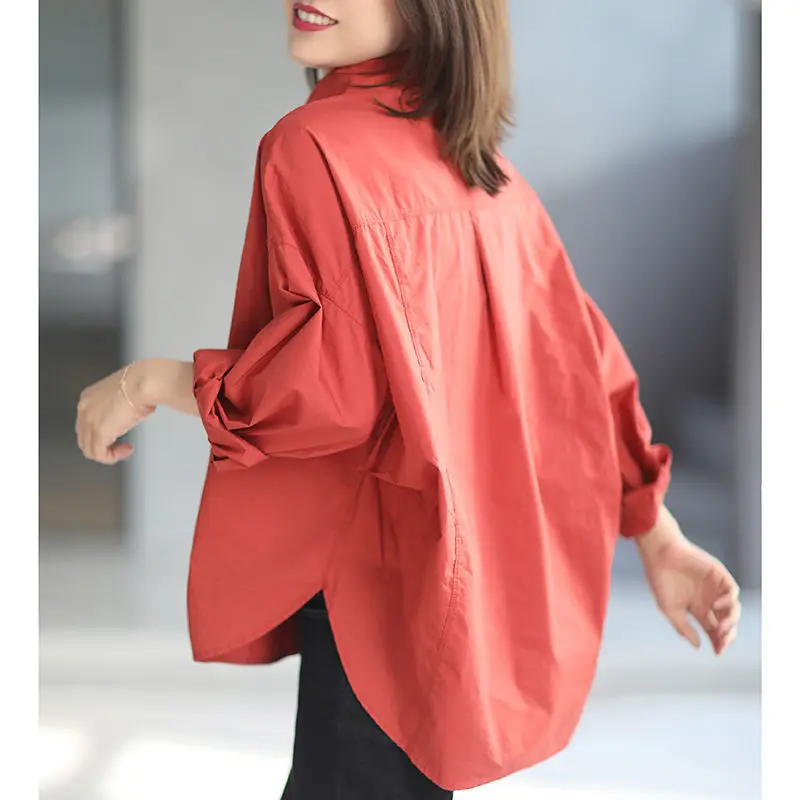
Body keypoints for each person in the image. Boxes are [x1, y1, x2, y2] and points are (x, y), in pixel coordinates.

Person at [75, 1, 743, 797]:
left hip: (374, 582)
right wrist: (657, 533)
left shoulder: (313, 145)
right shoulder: (482, 165)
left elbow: (330, 391)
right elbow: (581, 366)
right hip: (452, 592)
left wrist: (149, 381)